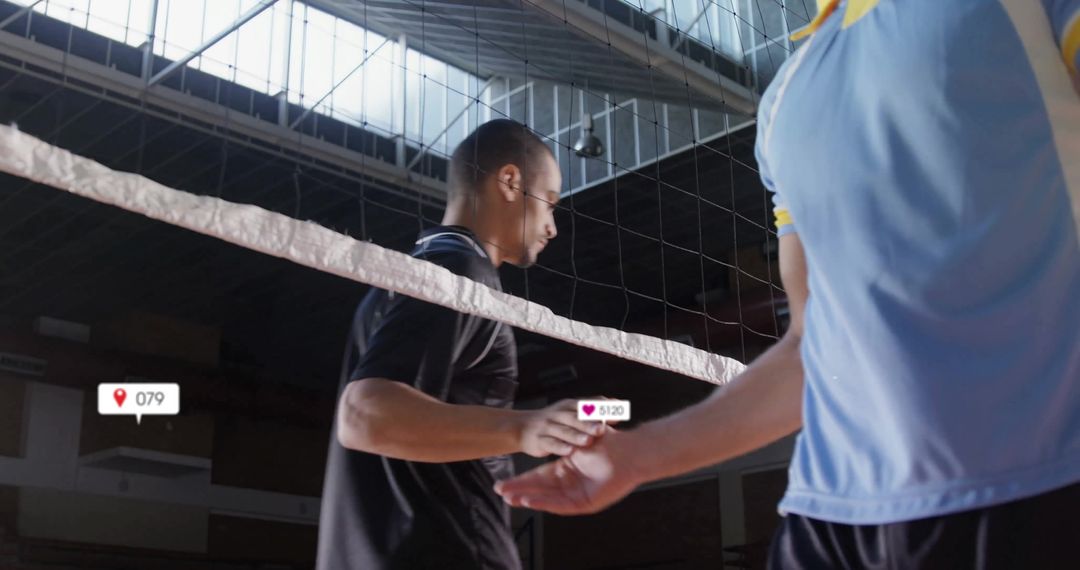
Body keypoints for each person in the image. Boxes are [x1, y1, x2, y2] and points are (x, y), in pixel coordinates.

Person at [495, 1, 1080, 567]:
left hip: (1035, 492)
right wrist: (637, 457)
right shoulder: (784, 100)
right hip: (828, 520)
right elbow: (809, 345)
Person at [316, 119, 603, 570]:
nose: (552, 227)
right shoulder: (462, 275)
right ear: (510, 181)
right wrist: (523, 429)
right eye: (549, 203)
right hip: (449, 550)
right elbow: (363, 415)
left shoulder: (399, 281)